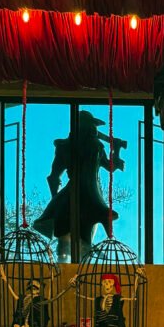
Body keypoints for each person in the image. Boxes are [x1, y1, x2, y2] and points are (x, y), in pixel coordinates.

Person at [32, 111, 126, 261]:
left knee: (64, 243)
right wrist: (116, 149)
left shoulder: (65, 147)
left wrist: (56, 199)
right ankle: (81, 263)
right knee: (84, 243)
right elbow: (112, 167)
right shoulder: (96, 147)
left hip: (70, 198)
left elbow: (53, 177)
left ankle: (65, 266)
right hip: (92, 198)